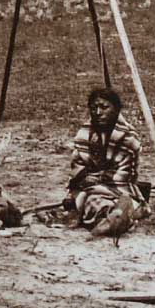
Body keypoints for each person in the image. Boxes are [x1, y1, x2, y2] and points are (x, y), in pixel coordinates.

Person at [64, 87, 150, 237]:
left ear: (116, 110)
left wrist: (95, 179)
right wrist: (84, 177)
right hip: (89, 188)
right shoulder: (84, 134)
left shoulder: (128, 139)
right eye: (94, 108)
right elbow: (77, 166)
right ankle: (115, 217)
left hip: (120, 189)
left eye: (104, 107)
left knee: (93, 201)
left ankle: (116, 215)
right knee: (90, 200)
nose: (98, 113)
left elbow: (125, 174)